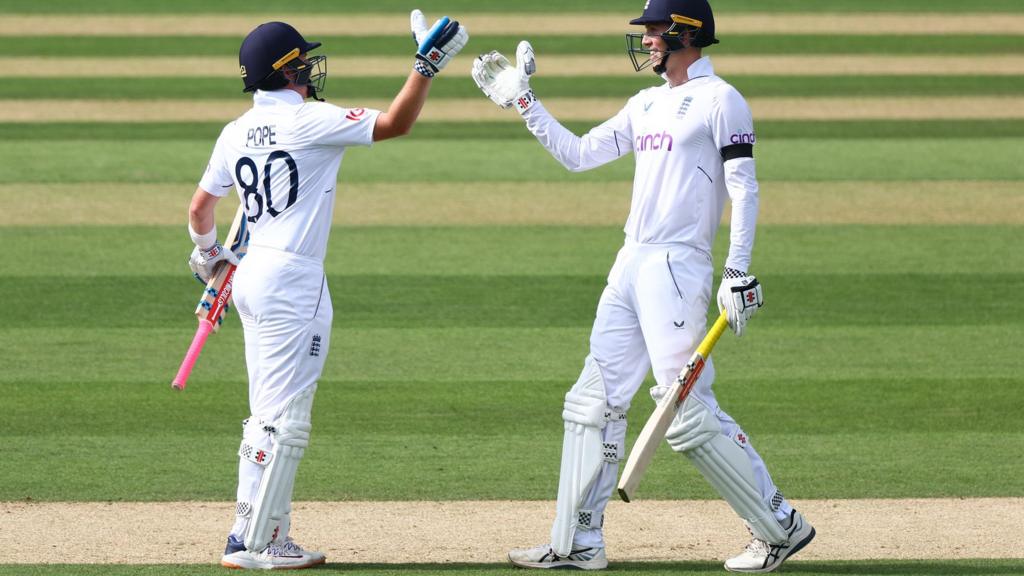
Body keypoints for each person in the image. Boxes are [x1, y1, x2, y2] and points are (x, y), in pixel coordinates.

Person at [471, 0, 814, 572]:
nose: (647, 40)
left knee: (687, 410)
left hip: (679, 267)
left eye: (655, 30)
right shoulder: (646, 102)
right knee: (590, 403)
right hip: (630, 261)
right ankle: (578, 541)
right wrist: (525, 102)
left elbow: (744, 187)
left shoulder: (720, 99)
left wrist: (737, 268)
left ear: (685, 33)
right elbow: (579, 155)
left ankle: (778, 527)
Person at [186, 13, 467, 570]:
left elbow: (200, 210)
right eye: (304, 62)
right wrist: (426, 66)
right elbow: (395, 124)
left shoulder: (235, 130)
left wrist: (210, 258)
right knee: (283, 418)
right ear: (288, 70)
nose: (312, 69)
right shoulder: (311, 119)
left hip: (249, 276)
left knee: (263, 411)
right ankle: (253, 544)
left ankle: (261, 532)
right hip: (294, 281)